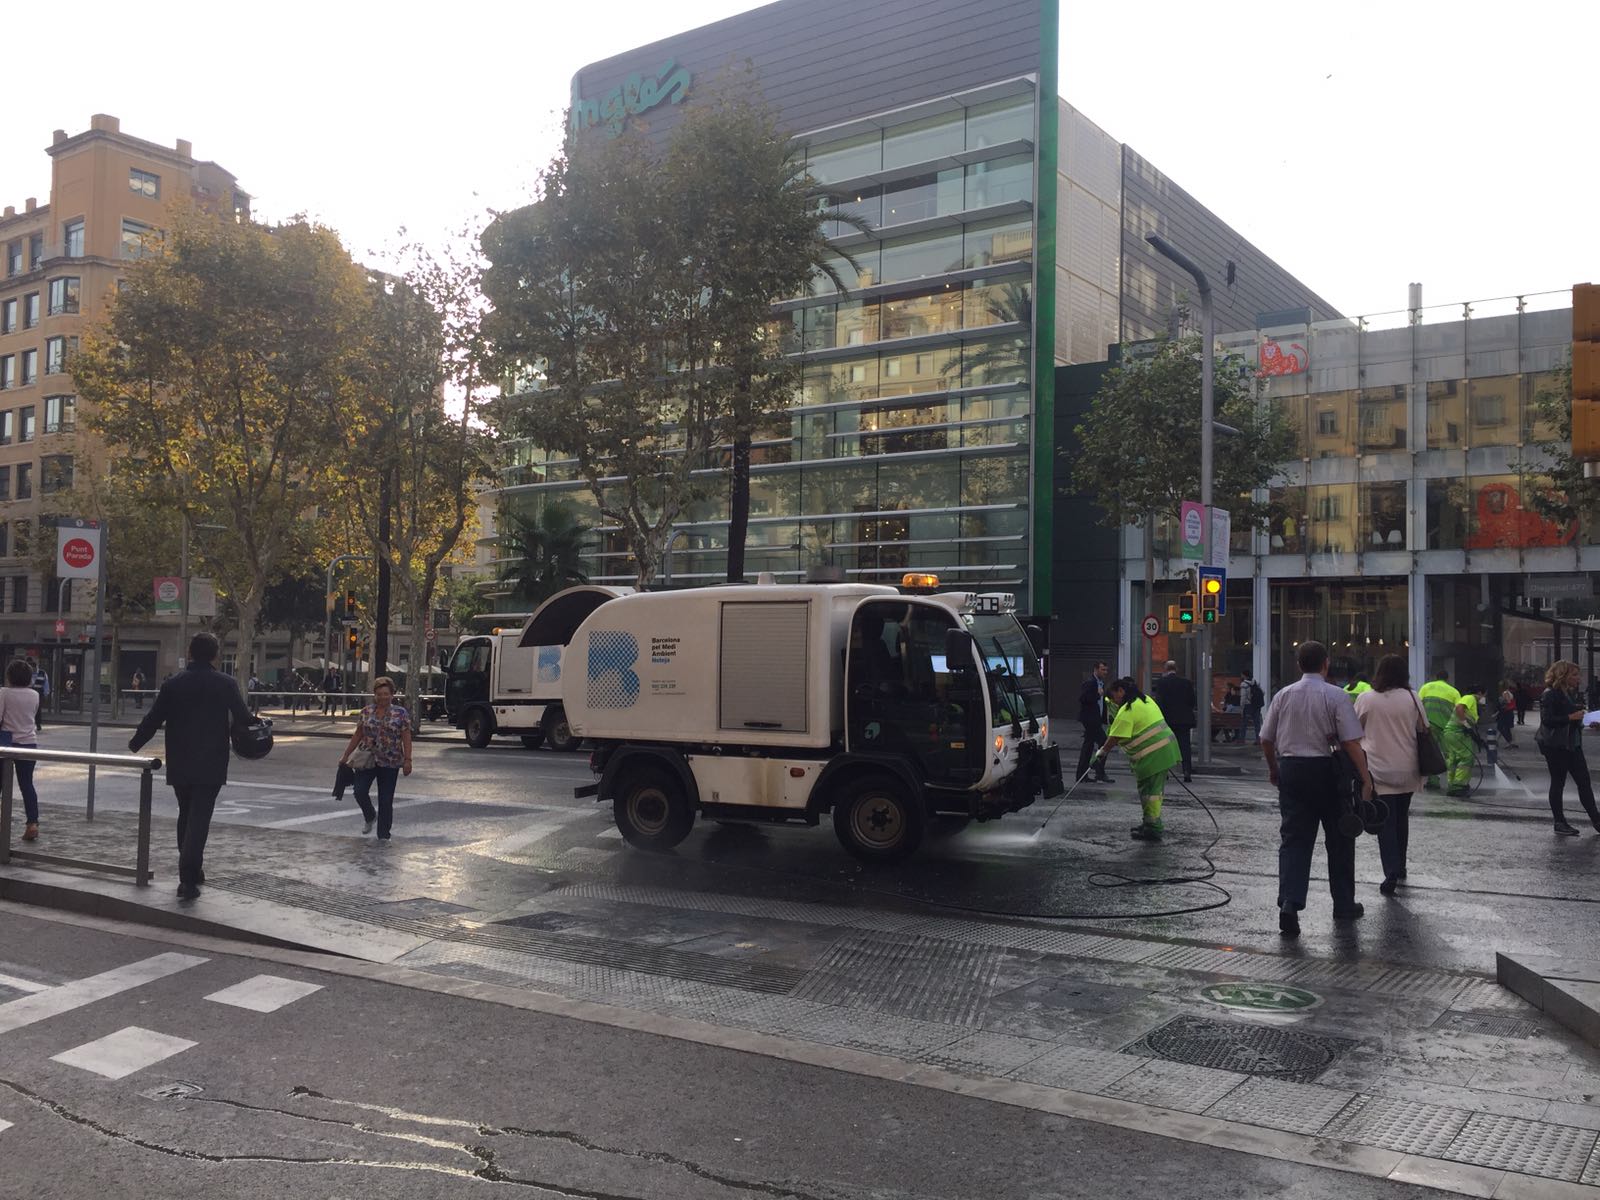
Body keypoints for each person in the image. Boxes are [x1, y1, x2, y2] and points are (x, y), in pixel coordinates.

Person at [1259, 639, 1375, 937]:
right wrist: (1366, 779)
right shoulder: (1336, 696)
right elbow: (1351, 742)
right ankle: (1344, 904)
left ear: (1299, 665)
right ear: (1325, 664)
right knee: (1340, 837)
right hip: (1328, 772)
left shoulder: (1283, 695)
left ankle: (1289, 904)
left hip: (1292, 770)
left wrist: (1274, 768)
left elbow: (1266, 738)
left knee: (1294, 839)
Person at [128, 632, 255, 900]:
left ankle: (192, 870)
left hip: (180, 759)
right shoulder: (226, 683)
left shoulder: (173, 684)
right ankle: (188, 877)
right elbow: (244, 717)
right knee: (200, 817)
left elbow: (154, 718)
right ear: (215, 655)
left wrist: (135, 743)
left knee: (185, 812)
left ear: (191, 651)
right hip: (212, 761)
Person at [1354, 654, 1427, 895]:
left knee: (1385, 820)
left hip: (1377, 769)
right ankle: (1401, 863)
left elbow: (1353, 730)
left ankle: (1391, 872)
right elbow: (1422, 729)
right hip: (1408, 767)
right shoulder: (1412, 698)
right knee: (1401, 818)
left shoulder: (1367, 699)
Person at [1093, 676, 1181, 841]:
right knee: (1146, 791)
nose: (1114, 701)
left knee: (1152, 793)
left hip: (1156, 755)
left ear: (1121, 691)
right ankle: (1148, 823)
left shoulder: (1128, 709)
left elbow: (1114, 737)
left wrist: (1101, 752)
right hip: (1160, 752)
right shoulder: (1145, 699)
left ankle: (1153, 828)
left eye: (1114, 697)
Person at [340, 676, 413, 841]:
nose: (382, 697)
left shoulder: (400, 713)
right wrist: (346, 755)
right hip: (367, 758)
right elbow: (358, 734)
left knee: (386, 800)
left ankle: (383, 836)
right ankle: (370, 815)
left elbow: (406, 737)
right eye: (379, 694)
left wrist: (408, 760)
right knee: (359, 791)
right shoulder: (366, 712)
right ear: (374, 694)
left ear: (392, 695)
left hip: (390, 760)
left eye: (386, 694)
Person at [1537, 659, 1597, 836]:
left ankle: (1596, 819)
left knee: (1584, 782)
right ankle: (1559, 822)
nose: (1578, 678)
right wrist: (1571, 717)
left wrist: (1586, 721)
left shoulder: (1568, 693)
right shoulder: (1550, 694)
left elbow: (1570, 718)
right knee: (1558, 782)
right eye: (1575, 675)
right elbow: (1547, 720)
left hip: (1573, 744)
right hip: (1557, 746)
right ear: (1562, 676)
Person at [1, 659, 43, 843]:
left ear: (9, 676)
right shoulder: (34, 695)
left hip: (7, 744)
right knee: (27, 784)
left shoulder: (4, 693)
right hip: (29, 743)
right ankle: (32, 823)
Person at [1150, 660, 1197, 782]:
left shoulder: (1162, 683)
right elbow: (1192, 701)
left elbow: (1159, 702)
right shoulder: (1186, 683)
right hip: (1183, 720)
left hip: (1167, 719)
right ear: (1177, 669)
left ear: (1165, 669)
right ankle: (1186, 771)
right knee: (1184, 746)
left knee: (1165, 745)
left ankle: (1165, 772)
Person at [1417, 670, 1460, 791]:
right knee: (1449, 755)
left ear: (1435, 677)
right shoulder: (1454, 691)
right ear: (1448, 679)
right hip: (1447, 728)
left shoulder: (1426, 687)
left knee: (1431, 753)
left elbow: (1419, 706)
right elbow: (1459, 710)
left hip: (1429, 726)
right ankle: (1452, 782)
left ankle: (1433, 781)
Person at [1075, 661, 1113, 784]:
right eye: (1103, 670)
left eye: (1106, 670)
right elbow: (1083, 699)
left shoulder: (1100, 683)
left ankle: (1082, 775)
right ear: (1096, 669)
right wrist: (1097, 694)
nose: (1105, 672)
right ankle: (1098, 770)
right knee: (1104, 742)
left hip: (1095, 719)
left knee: (1088, 746)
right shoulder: (1090, 682)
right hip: (1090, 720)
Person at [1444, 685, 1484, 798]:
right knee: (1467, 758)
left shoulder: (1472, 702)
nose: (1483, 698)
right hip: (1457, 733)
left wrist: (1476, 737)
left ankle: (1452, 785)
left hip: (1451, 733)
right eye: (1484, 695)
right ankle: (1459, 786)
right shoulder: (1470, 698)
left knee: (1454, 759)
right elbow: (1459, 708)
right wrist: (1466, 725)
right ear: (1480, 693)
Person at [1242, 675, 1266, 745]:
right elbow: (1263, 692)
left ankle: (1241, 739)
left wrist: (1242, 706)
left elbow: (1243, 697)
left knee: (1244, 723)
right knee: (1257, 723)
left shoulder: (1244, 684)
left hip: (1249, 705)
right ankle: (1258, 739)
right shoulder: (1256, 683)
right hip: (1257, 706)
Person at [1497, 681, 1517, 747]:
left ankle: (1510, 741)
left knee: (1503, 727)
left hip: (1506, 712)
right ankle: (1510, 741)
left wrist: (1502, 701)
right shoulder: (1508, 692)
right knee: (1507, 727)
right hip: (1508, 712)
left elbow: (1508, 702)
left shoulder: (1505, 693)